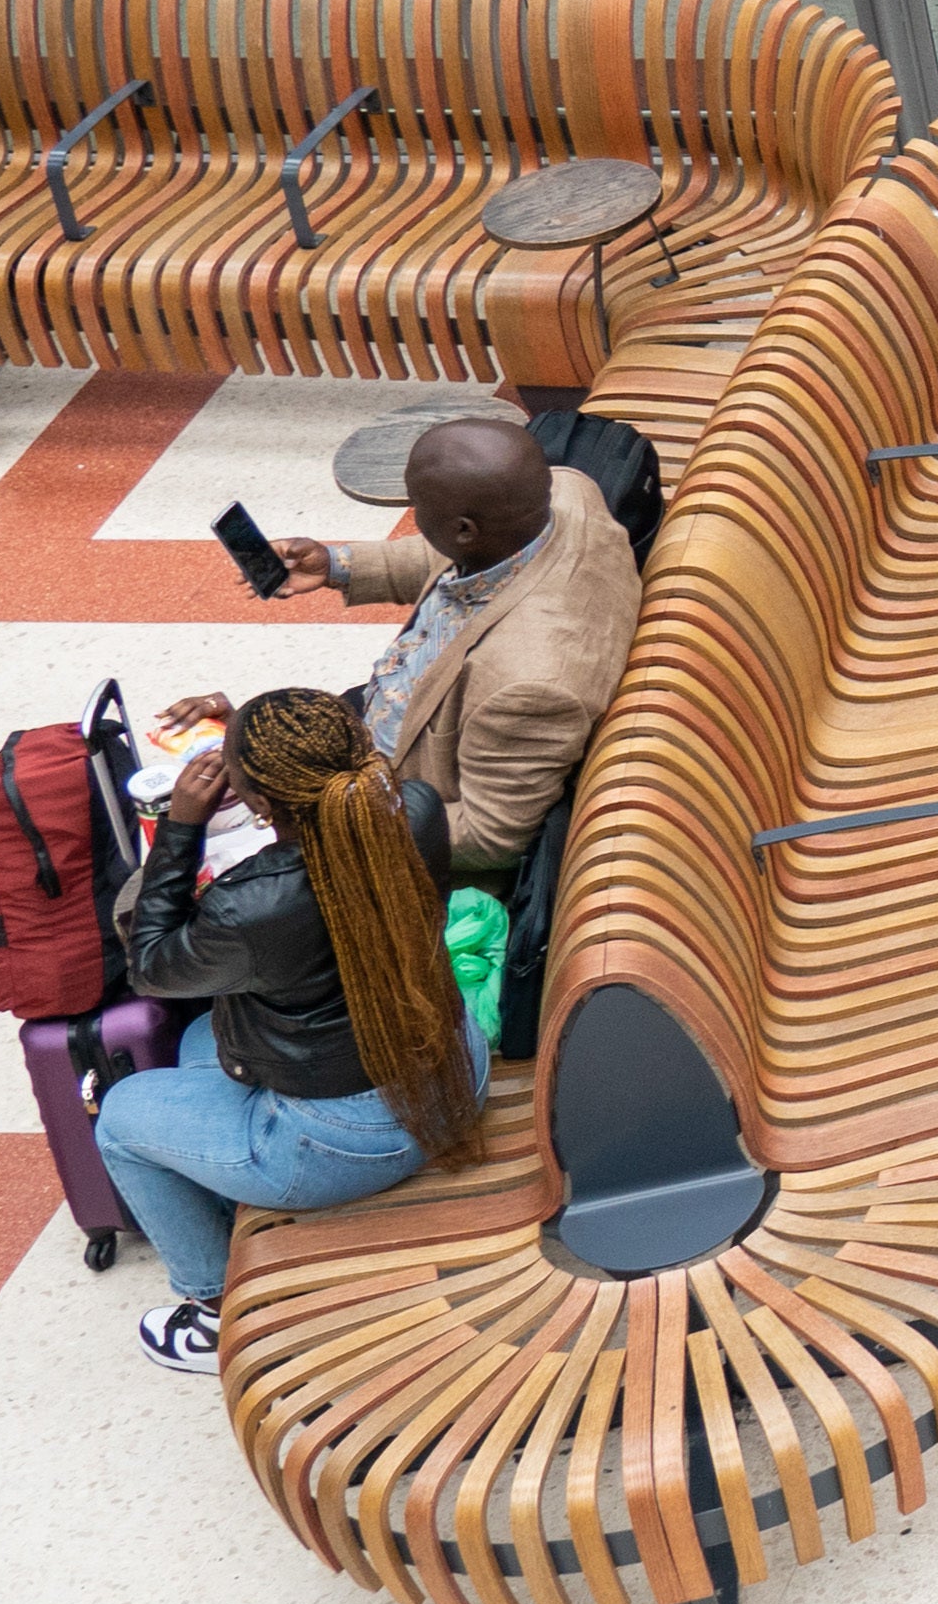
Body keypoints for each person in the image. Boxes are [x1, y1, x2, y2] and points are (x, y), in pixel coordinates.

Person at [93, 685, 486, 1377]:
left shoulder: (254, 906)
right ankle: (228, 1176)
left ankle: (213, 1312)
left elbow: (151, 965)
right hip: (454, 1069)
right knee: (194, 1046)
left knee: (120, 1121)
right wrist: (251, 730)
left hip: (354, 1140)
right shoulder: (415, 811)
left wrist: (181, 827)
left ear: (263, 806)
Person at [157, 412, 636, 883]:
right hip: (386, 719)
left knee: (217, 834)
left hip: (394, 797)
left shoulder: (527, 687)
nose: (413, 516)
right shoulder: (565, 497)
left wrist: (321, 817)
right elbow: (455, 552)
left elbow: (490, 837)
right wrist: (337, 565)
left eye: (418, 506)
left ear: (465, 529)